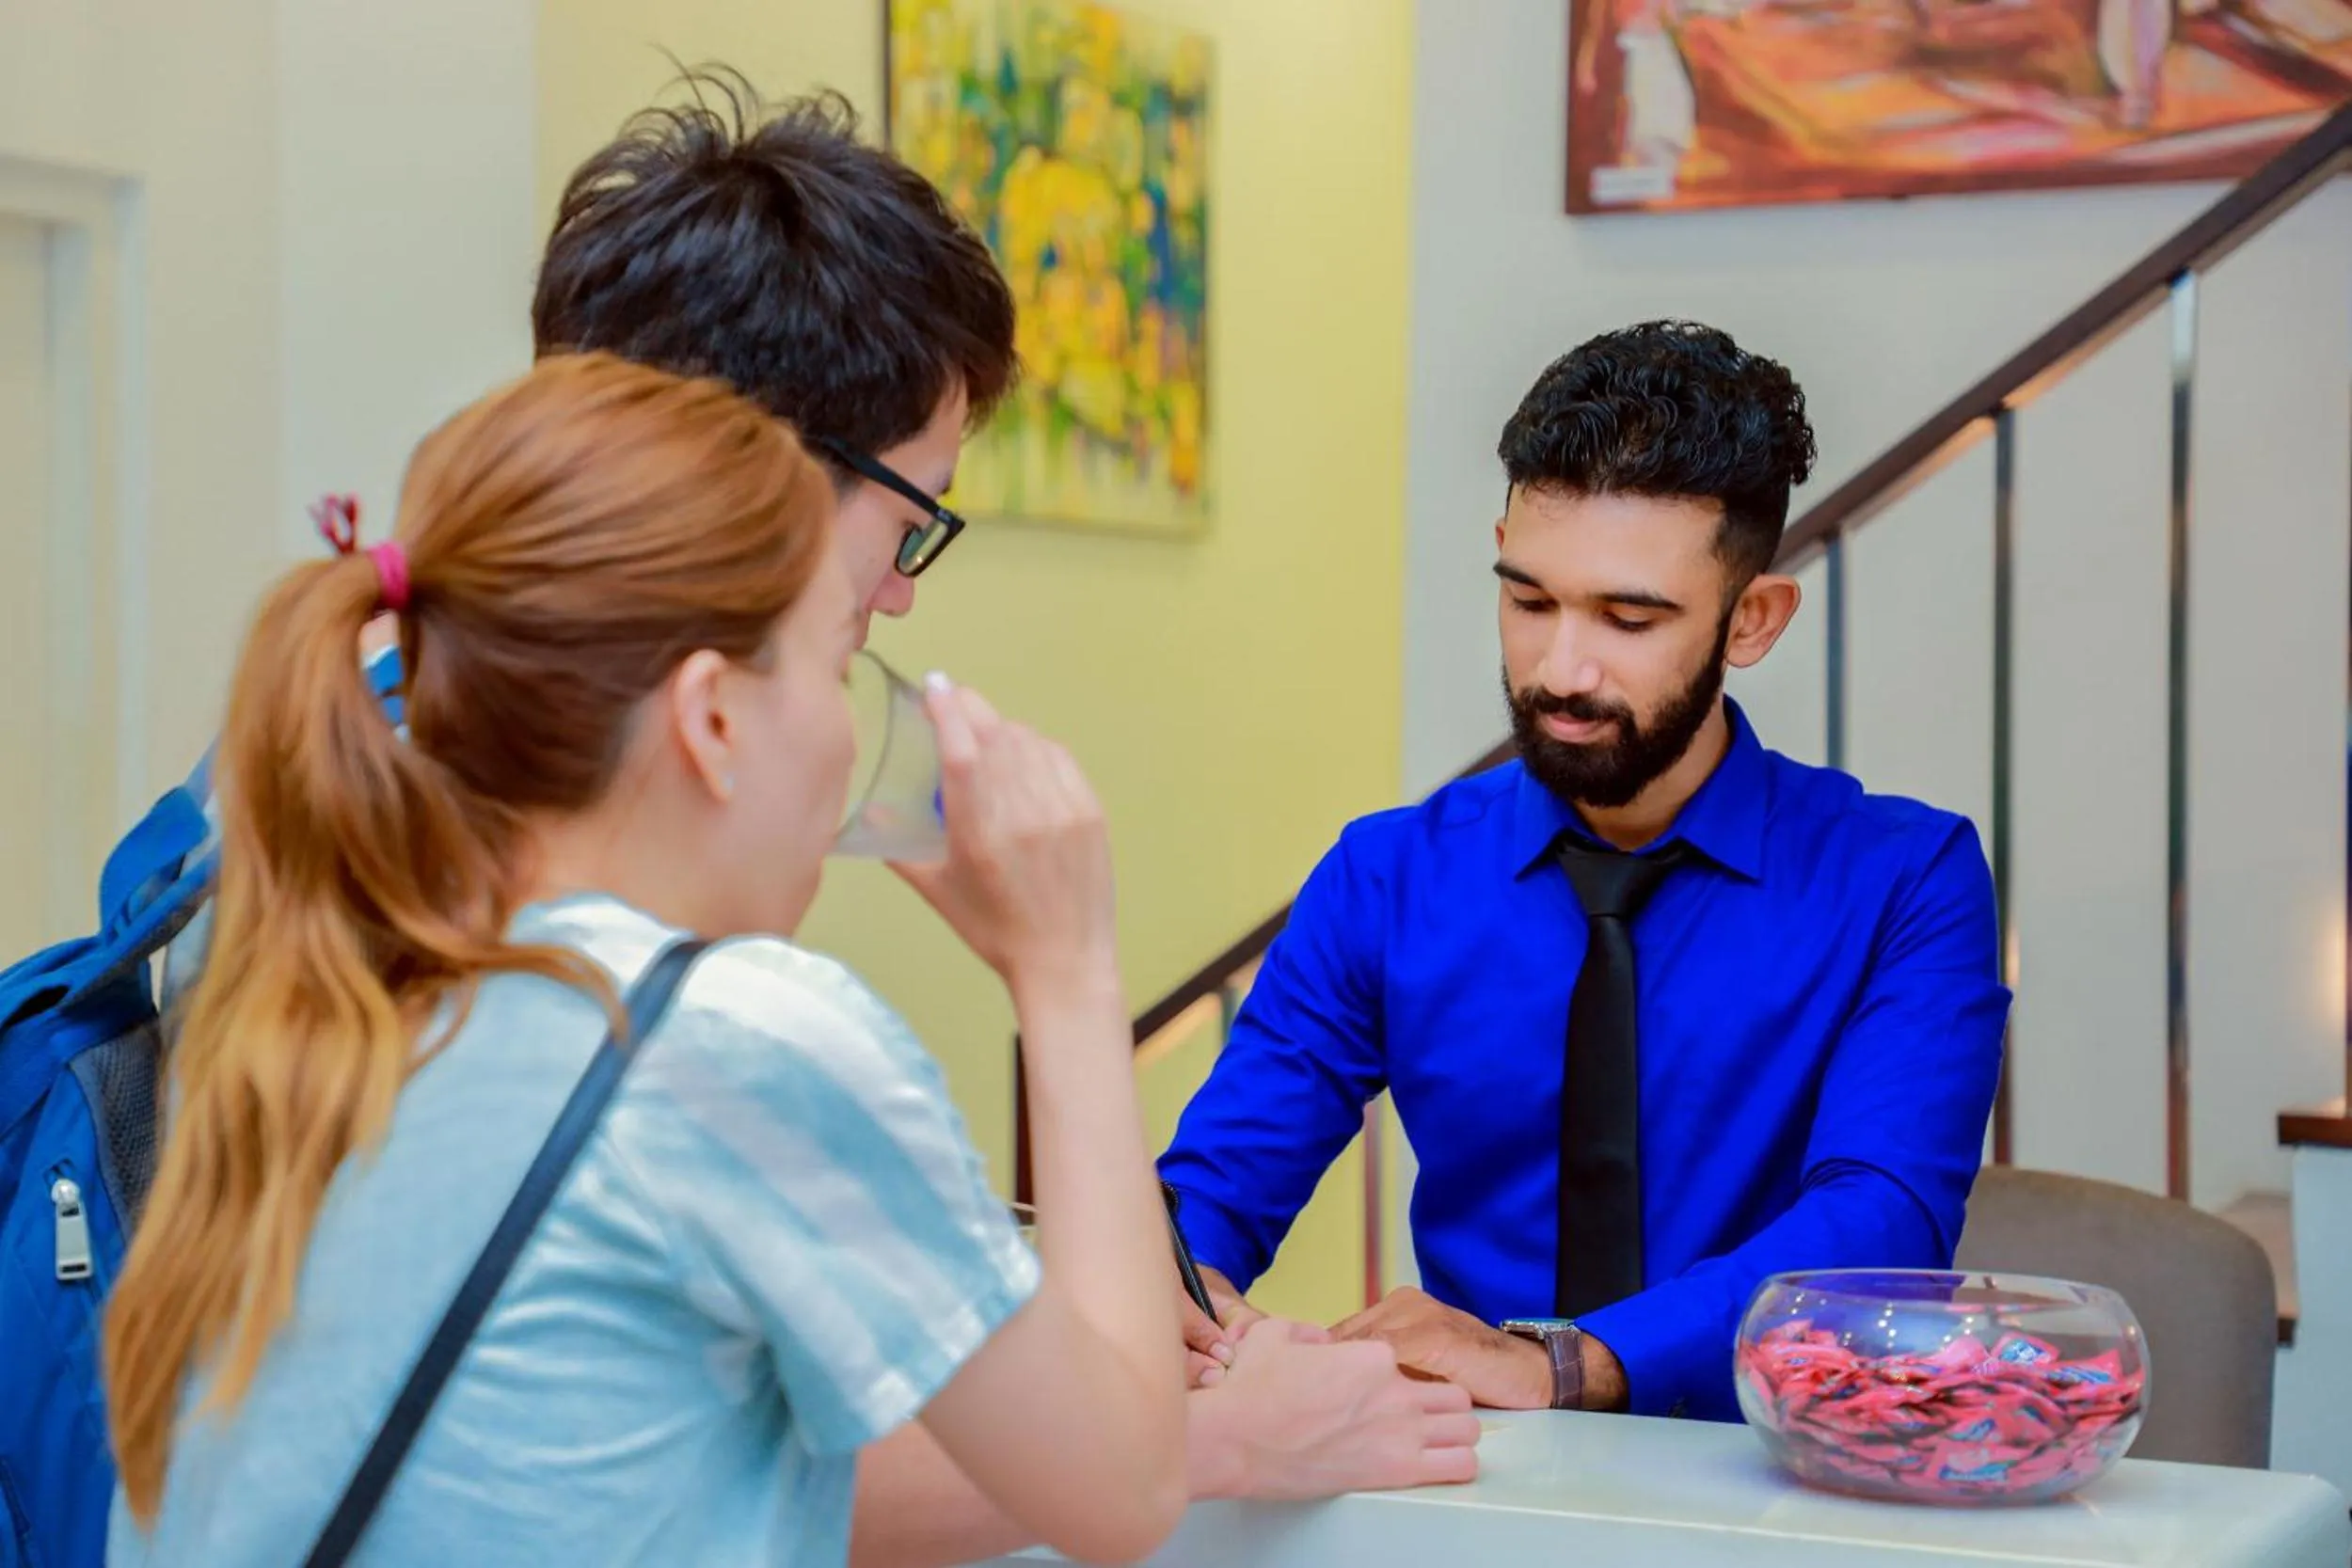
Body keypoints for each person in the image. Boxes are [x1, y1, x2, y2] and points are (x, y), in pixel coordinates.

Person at [147, 68, 1478, 1565]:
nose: (899, 599)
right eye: (909, 524)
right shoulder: (717, 1022)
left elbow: (604, 1433)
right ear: (747, 493)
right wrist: (1067, 971)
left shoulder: (331, 809)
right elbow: (1099, 1482)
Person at [107, 354, 1201, 1564]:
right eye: (835, 669)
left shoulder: (332, 1009)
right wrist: (1068, 972)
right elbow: (1125, 1482)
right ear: (712, 720)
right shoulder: (722, 1034)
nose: (852, 735)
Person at [1159, 320, 2012, 1423]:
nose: (1561, 668)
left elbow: (1881, 1220)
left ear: (1750, 618)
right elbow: (1213, 1191)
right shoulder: (1387, 878)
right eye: (1529, 601)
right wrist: (1184, 1301)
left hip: (1778, 1484)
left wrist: (1569, 1359)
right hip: (1469, 1487)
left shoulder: (1907, 880)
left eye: (1628, 616)